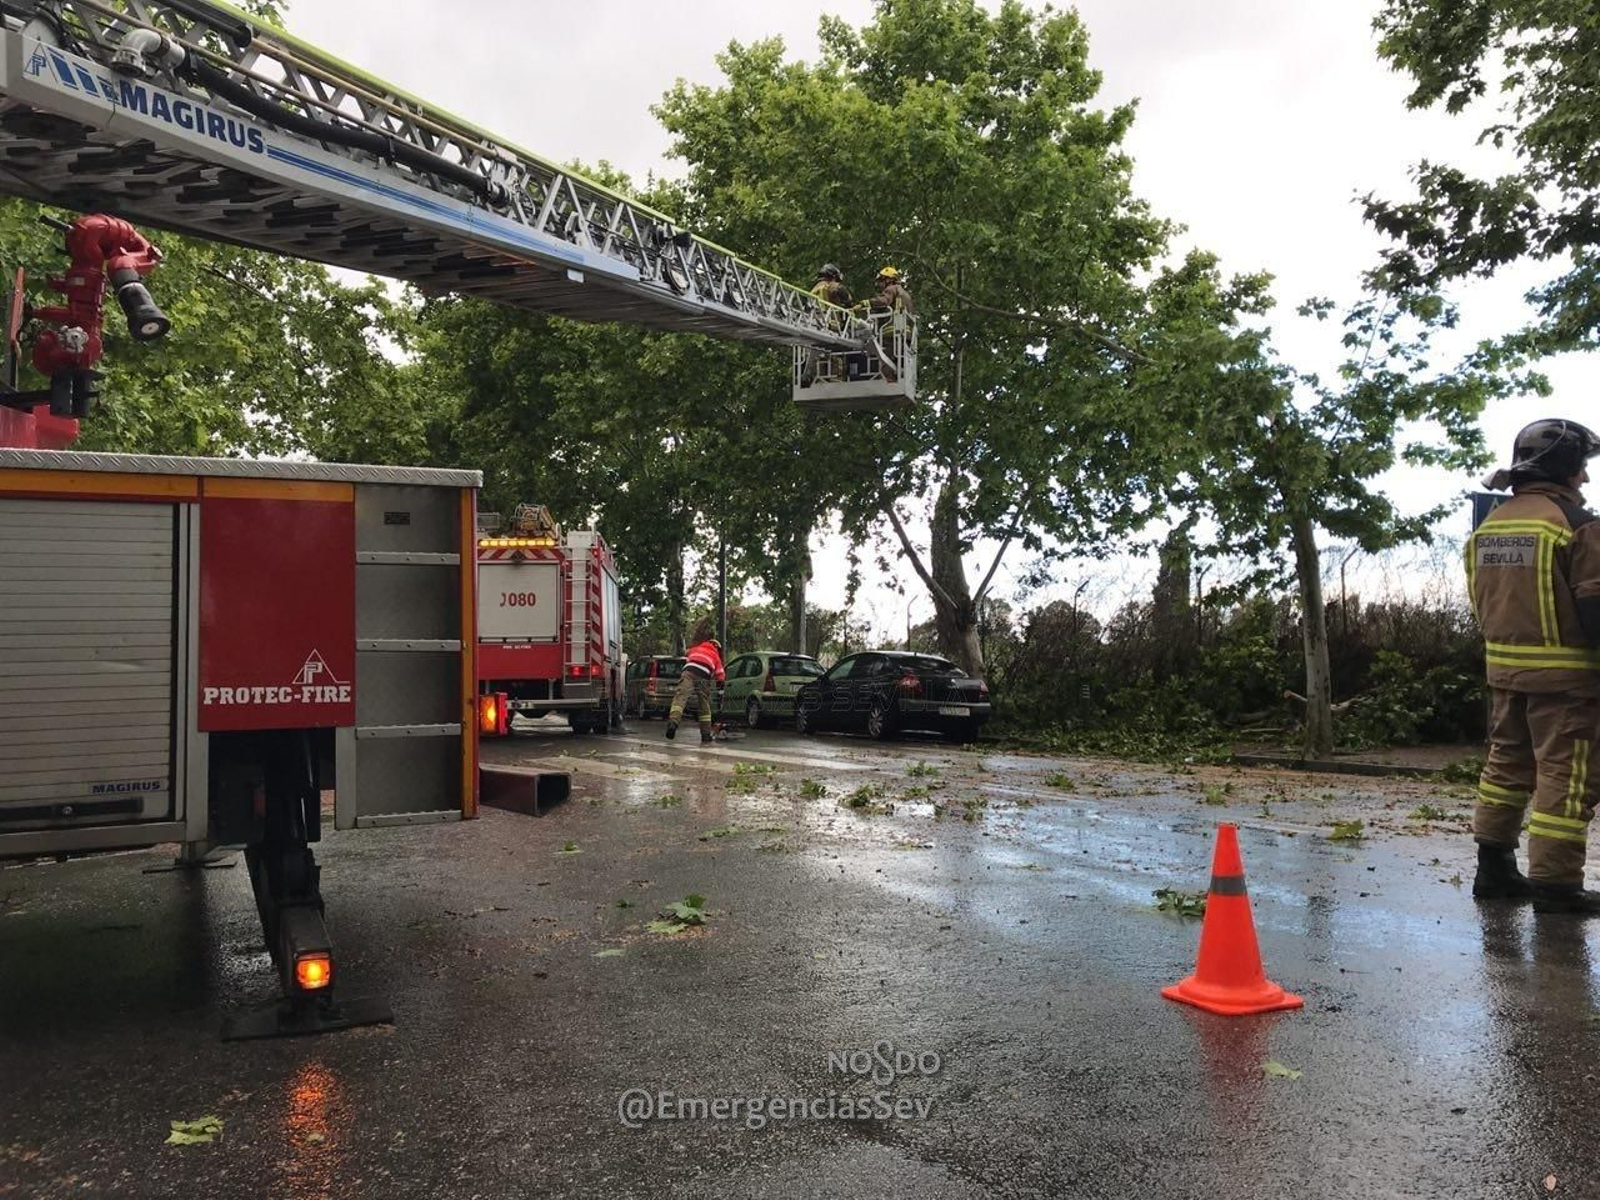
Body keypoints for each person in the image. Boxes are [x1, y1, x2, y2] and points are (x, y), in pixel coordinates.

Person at [1468, 418, 1600, 914]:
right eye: (1582, 466)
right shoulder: (1577, 525)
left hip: (1504, 674)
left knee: (1506, 767)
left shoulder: (1490, 526)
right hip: (1568, 683)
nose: (1585, 477)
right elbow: (1595, 608)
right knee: (1567, 778)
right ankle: (1557, 886)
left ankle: (1493, 867)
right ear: (1563, 467)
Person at [667, 637, 724, 744]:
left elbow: (686, 653)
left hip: (688, 671)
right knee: (703, 704)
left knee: (680, 697)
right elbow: (720, 674)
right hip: (704, 675)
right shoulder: (715, 656)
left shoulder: (696, 649)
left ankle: (673, 722)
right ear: (717, 648)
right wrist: (720, 687)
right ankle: (705, 734)